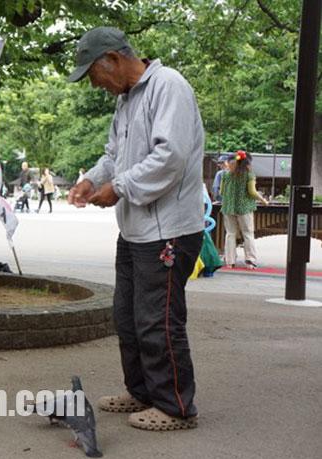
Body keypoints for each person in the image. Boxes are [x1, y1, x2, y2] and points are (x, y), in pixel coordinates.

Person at [67, 27, 204, 430]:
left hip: (168, 229)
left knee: (157, 320)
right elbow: (114, 155)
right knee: (127, 317)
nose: (96, 85)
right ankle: (142, 392)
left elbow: (170, 155)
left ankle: (176, 407)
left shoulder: (169, 86)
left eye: (94, 75)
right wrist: (93, 179)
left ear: (111, 59)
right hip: (134, 230)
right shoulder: (126, 101)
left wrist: (121, 187)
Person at [220, 150, 268, 269]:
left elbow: (221, 192)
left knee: (230, 234)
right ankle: (250, 260)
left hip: (228, 207)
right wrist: (263, 200)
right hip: (244, 208)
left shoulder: (225, 175)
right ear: (247, 163)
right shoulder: (249, 175)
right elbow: (252, 192)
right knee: (247, 234)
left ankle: (230, 261)